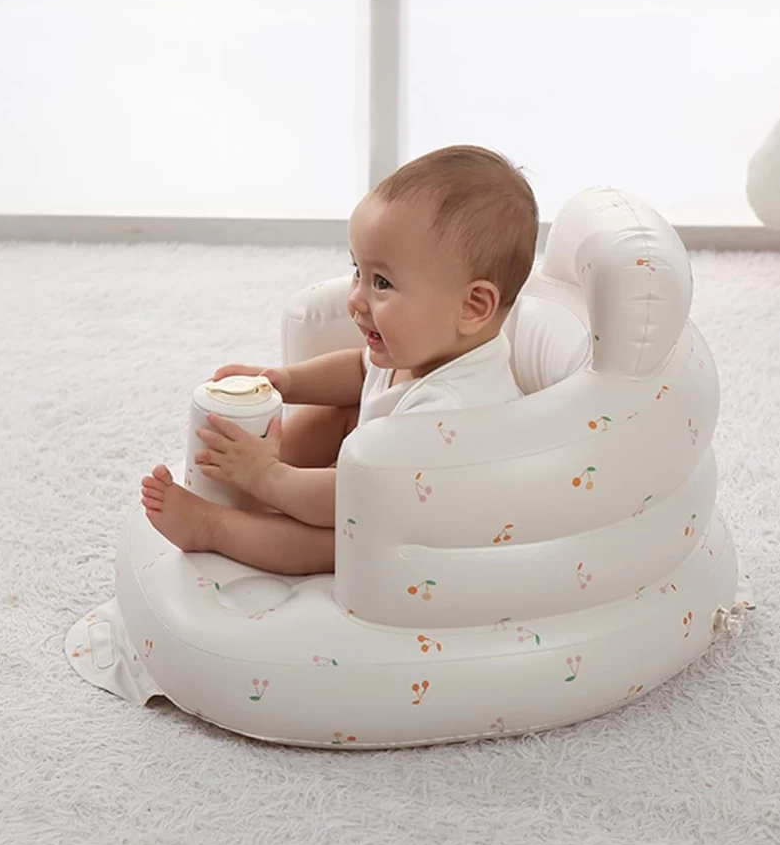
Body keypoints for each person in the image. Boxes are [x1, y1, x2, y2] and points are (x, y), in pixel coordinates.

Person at [139, 145, 538, 574]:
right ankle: (254, 479)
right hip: (380, 473)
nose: (355, 299)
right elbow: (359, 370)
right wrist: (285, 380)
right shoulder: (424, 347)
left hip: (412, 528)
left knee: (337, 542)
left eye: (381, 282)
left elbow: (354, 496)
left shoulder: (449, 411)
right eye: (357, 272)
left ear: (473, 306)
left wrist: (268, 476)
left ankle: (213, 527)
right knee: (341, 412)